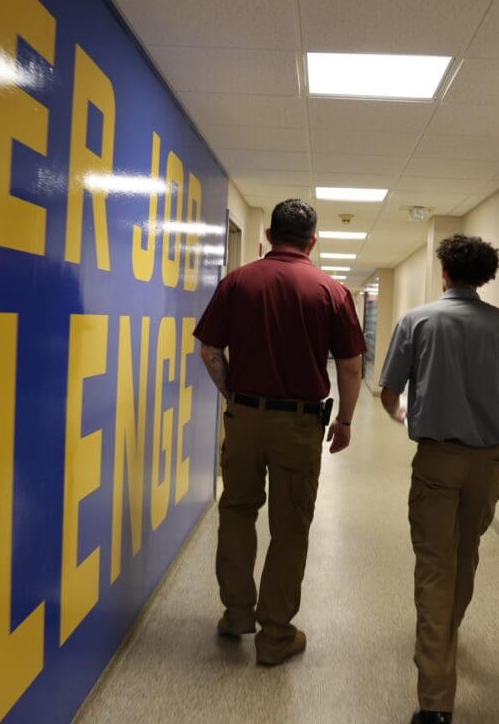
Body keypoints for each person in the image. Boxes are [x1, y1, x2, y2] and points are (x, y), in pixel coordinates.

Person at [379, 234, 499, 724]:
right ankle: (443, 643)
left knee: (436, 568)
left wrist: (403, 412)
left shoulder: (417, 322)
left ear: (444, 273)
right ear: (484, 278)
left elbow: (390, 390)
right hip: (488, 464)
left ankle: (436, 702)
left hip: (437, 461)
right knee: (464, 558)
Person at [193, 198, 366, 666]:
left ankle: (235, 613)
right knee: (290, 527)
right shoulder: (330, 290)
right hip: (299, 423)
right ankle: (274, 635)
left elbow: (210, 350)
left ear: (268, 236)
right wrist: (345, 420)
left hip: (245, 417)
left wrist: (234, 396)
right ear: (314, 241)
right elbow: (351, 367)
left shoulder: (237, 282)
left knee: (237, 511)